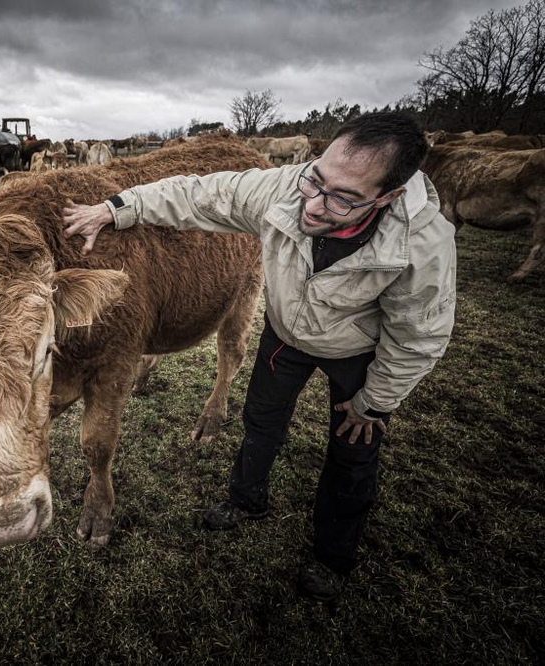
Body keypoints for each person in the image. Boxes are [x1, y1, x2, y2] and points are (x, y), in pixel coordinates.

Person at [62, 112, 456, 601]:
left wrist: (376, 400)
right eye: (317, 179)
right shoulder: (289, 187)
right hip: (286, 333)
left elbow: (419, 333)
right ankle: (246, 501)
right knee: (260, 420)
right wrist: (116, 208)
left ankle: (332, 555)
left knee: (354, 451)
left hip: (358, 351)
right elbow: (203, 193)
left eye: (343, 198)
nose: (313, 203)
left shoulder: (423, 244)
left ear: (389, 196)